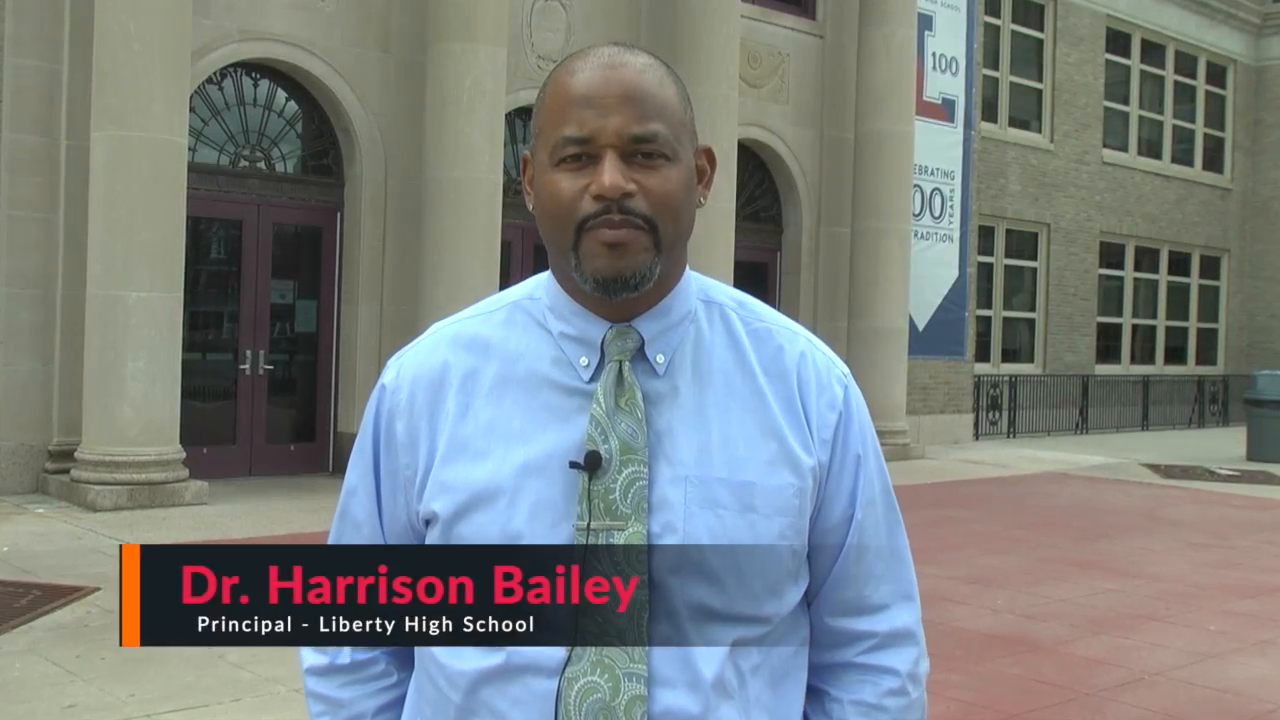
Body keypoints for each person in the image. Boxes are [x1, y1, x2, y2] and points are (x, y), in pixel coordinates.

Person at [300, 42, 929, 720]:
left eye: (645, 154)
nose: (610, 183)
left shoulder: (810, 392)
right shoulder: (424, 388)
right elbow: (354, 644)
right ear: (531, 180)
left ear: (703, 174)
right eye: (575, 158)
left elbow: (872, 650)